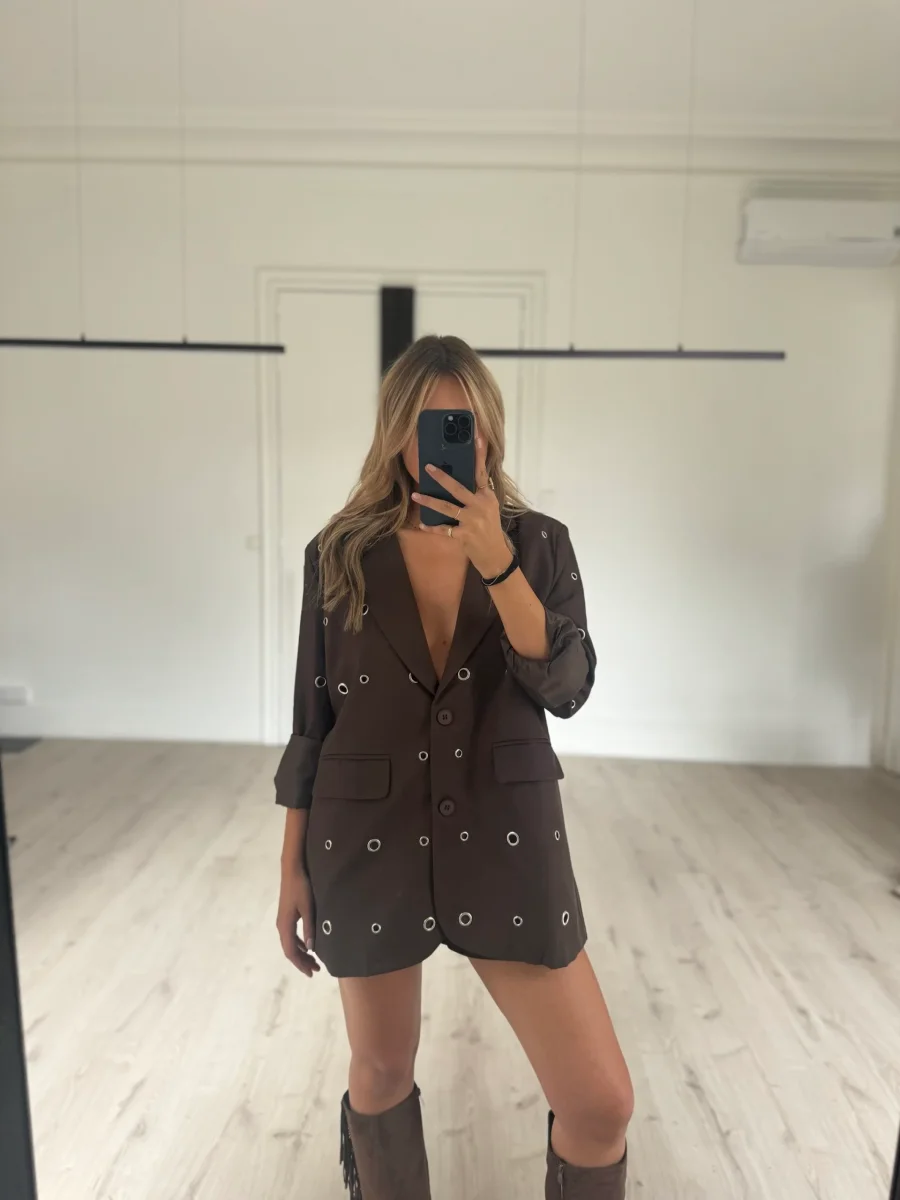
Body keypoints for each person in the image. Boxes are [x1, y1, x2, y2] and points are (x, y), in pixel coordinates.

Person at [275, 335, 633, 1199]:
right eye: (421, 423)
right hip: (367, 835)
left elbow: (567, 687)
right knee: (380, 1069)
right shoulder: (339, 553)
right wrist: (290, 867)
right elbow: (313, 722)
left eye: (458, 423)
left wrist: (495, 562)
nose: (439, 441)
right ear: (395, 432)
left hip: (505, 830)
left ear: (487, 431)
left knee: (600, 1104)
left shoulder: (538, 545)